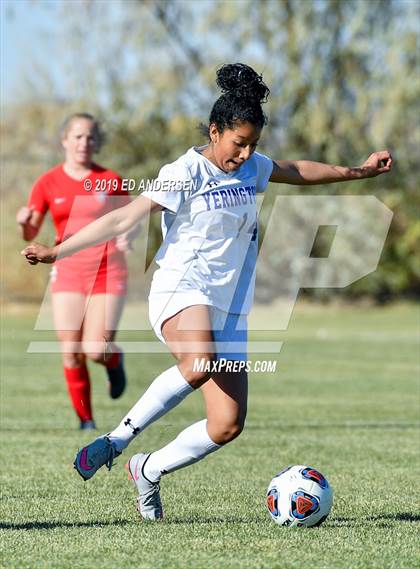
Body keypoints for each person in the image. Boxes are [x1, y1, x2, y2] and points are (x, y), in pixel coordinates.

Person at [22, 64, 392, 520]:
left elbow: (294, 169)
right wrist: (58, 251)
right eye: (238, 142)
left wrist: (357, 172)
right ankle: (117, 440)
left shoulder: (253, 166)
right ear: (215, 131)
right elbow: (124, 217)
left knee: (227, 424)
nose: (246, 153)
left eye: (253, 144)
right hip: (182, 288)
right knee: (198, 364)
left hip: (230, 307)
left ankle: (148, 469)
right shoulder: (186, 171)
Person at [18, 113, 135, 430]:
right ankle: (86, 421)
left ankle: (114, 359)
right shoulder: (47, 182)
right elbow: (30, 233)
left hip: (107, 269)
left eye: (91, 137)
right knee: (71, 351)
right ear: (64, 140)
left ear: (97, 143)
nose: (85, 142)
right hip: (67, 270)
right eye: (78, 136)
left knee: (95, 349)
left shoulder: (110, 178)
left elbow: (130, 219)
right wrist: (24, 222)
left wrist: (129, 235)